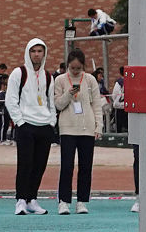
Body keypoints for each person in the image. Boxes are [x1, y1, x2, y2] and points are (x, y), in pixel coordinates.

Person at [5, 38, 56, 216]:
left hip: (44, 126)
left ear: (44, 53)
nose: (36, 54)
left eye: (40, 51)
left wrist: (51, 122)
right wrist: (20, 122)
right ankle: (20, 200)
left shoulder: (48, 76)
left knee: (40, 165)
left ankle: (31, 199)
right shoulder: (18, 73)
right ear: (28, 53)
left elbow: (51, 101)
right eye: (33, 51)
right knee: (25, 164)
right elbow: (10, 100)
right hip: (26, 125)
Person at [53, 49, 105, 215]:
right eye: (72, 68)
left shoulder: (90, 80)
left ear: (83, 66)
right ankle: (64, 201)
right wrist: (69, 94)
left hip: (87, 129)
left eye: (78, 68)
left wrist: (98, 126)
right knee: (67, 166)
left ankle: (82, 201)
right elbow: (58, 104)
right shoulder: (60, 80)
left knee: (85, 166)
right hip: (67, 128)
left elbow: (96, 104)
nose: (75, 71)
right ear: (67, 65)